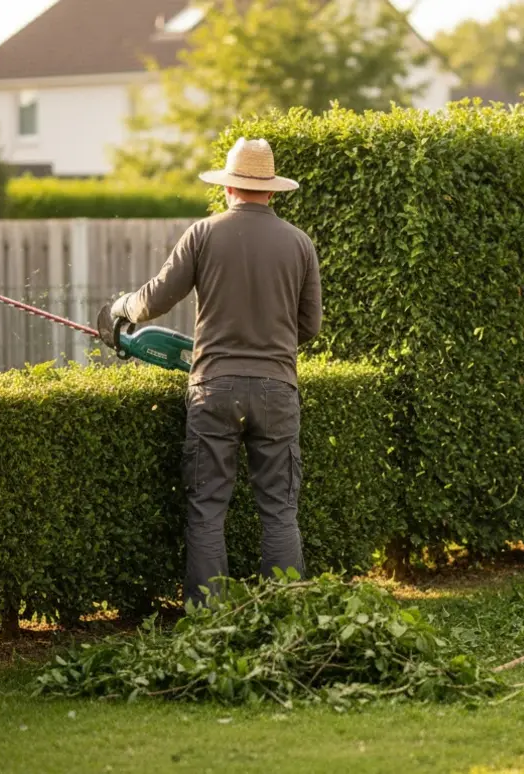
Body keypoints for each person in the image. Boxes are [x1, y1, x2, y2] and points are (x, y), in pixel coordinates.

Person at [96, 137, 322, 607]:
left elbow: (155, 297)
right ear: (271, 192)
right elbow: (310, 327)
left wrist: (119, 310)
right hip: (277, 391)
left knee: (207, 509)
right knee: (280, 510)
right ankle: (289, 618)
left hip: (213, 389)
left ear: (228, 188)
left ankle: (207, 620)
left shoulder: (203, 233)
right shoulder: (300, 244)